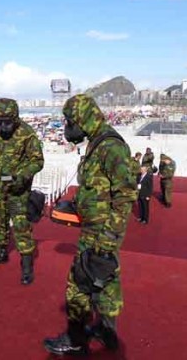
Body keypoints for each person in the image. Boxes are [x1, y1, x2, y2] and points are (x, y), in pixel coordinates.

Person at [43, 94, 137, 356]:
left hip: (101, 234)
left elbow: (126, 195)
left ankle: (75, 341)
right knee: (106, 282)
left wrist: (107, 240)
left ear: (83, 118)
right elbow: (98, 188)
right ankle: (107, 333)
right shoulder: (98, 142)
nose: (68, 126)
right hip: (100, 230)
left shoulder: (110, 147)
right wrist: (77, 205)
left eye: (70, 120)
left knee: (78, 285)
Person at [0, 98, 44, 285]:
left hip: (18, 190)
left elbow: (38, 161)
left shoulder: (27, 134)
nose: (3, 126)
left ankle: (27, 265)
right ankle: (1, 253)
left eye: (7, 122)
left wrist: (21, 176)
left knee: (21, 226)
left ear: (16, 118)